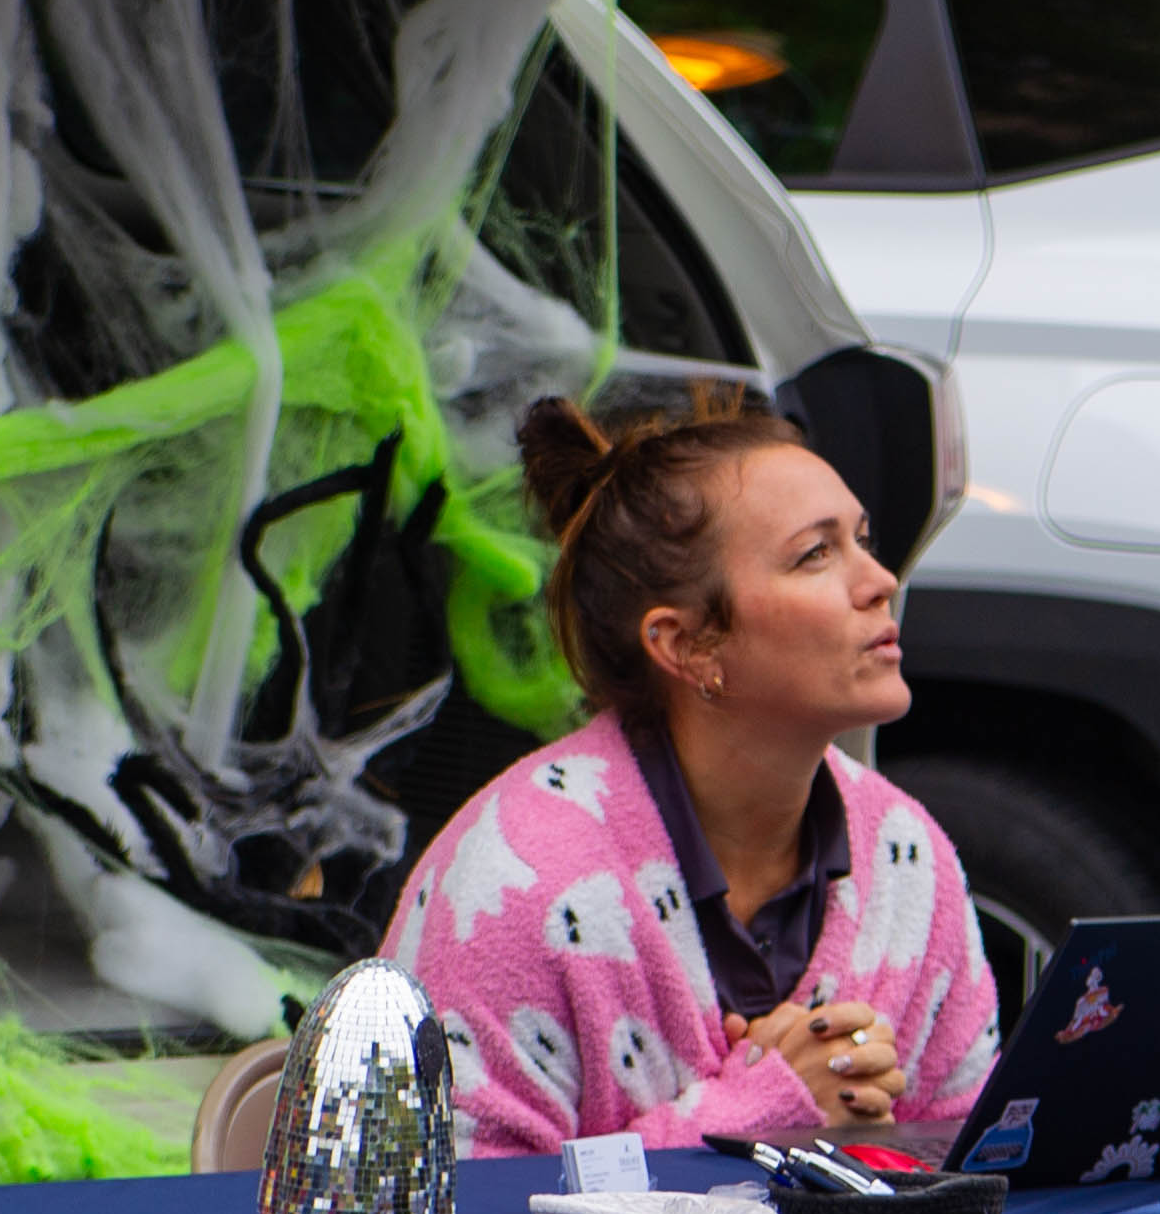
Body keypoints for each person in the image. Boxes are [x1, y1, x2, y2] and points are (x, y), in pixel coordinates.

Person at [382, 393, 997, 1152]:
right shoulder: (521, 880)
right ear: (687, 647)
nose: (879, 582)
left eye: (863, 541)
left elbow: (969, 1160)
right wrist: (768, 1106)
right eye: (815, 554)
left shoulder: (910, 853)